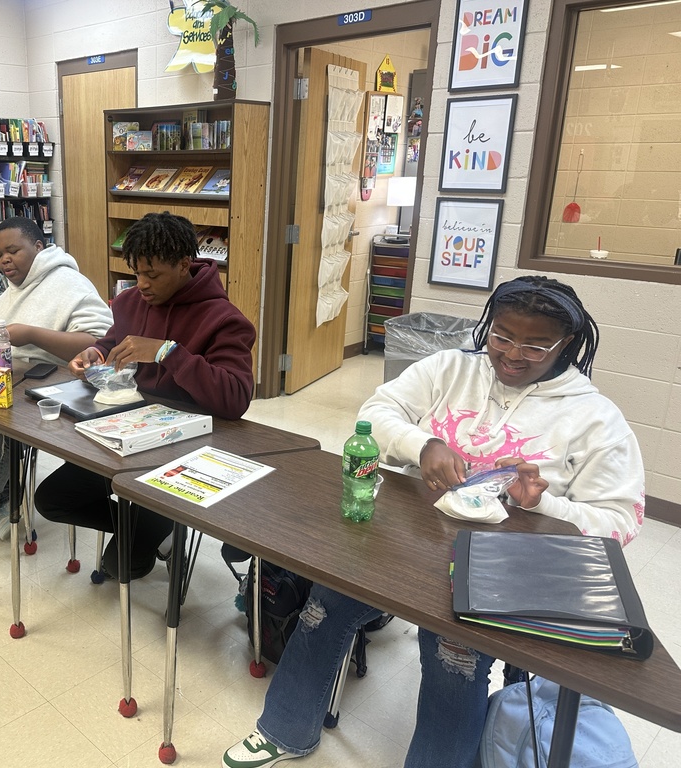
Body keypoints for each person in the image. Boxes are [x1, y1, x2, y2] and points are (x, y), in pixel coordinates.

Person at [222, 275, 645, 768]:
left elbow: (619, 522)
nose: (512, 354)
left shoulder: (596, 418)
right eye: (502, 335)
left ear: (566, 343)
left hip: (502, 569)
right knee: (325, 603)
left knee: (453, 655)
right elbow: (377, 412)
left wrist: (541, 505)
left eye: (535, 345)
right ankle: (285, 728)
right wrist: (423, 444)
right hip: (404, 542)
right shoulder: (450, 367)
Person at [34, 211, 256, 579]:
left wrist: (168, 351)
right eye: (136, 273)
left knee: (122, 566)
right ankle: (156, 532)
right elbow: (115, 342)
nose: (142, 284)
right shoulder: (129, 302)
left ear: (183, 265)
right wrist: (96, 353)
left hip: (181, 450)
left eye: (152, 274)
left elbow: (234, 399)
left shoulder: (225, 319)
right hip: (124, 434)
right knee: (51, 500)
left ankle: (154, 527)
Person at [0, 216, 113, 542]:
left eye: (13, 251)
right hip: (14, 384)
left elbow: (98, 344)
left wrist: (30, 334)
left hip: (61, 391)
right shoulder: (7, 294)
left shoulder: (70, 284)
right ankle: (5, 500)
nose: (4, 260)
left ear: (39, 247)